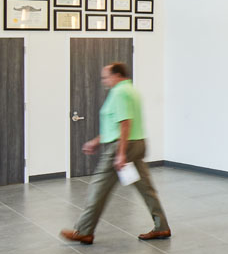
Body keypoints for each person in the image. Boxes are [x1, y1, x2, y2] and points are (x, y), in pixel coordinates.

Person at [60, 63, 171, 244]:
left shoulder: (119, 93)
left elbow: (124, 122)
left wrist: (120, 153)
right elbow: (116, 122)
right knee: (146, 188)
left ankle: (84, 230)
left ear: (117, 75)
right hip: (137, 143)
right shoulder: (131, 91)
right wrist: (96, 141)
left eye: (106, 77)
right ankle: (161, 226)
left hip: (122, 146)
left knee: (98, 187)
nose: (104, 81)